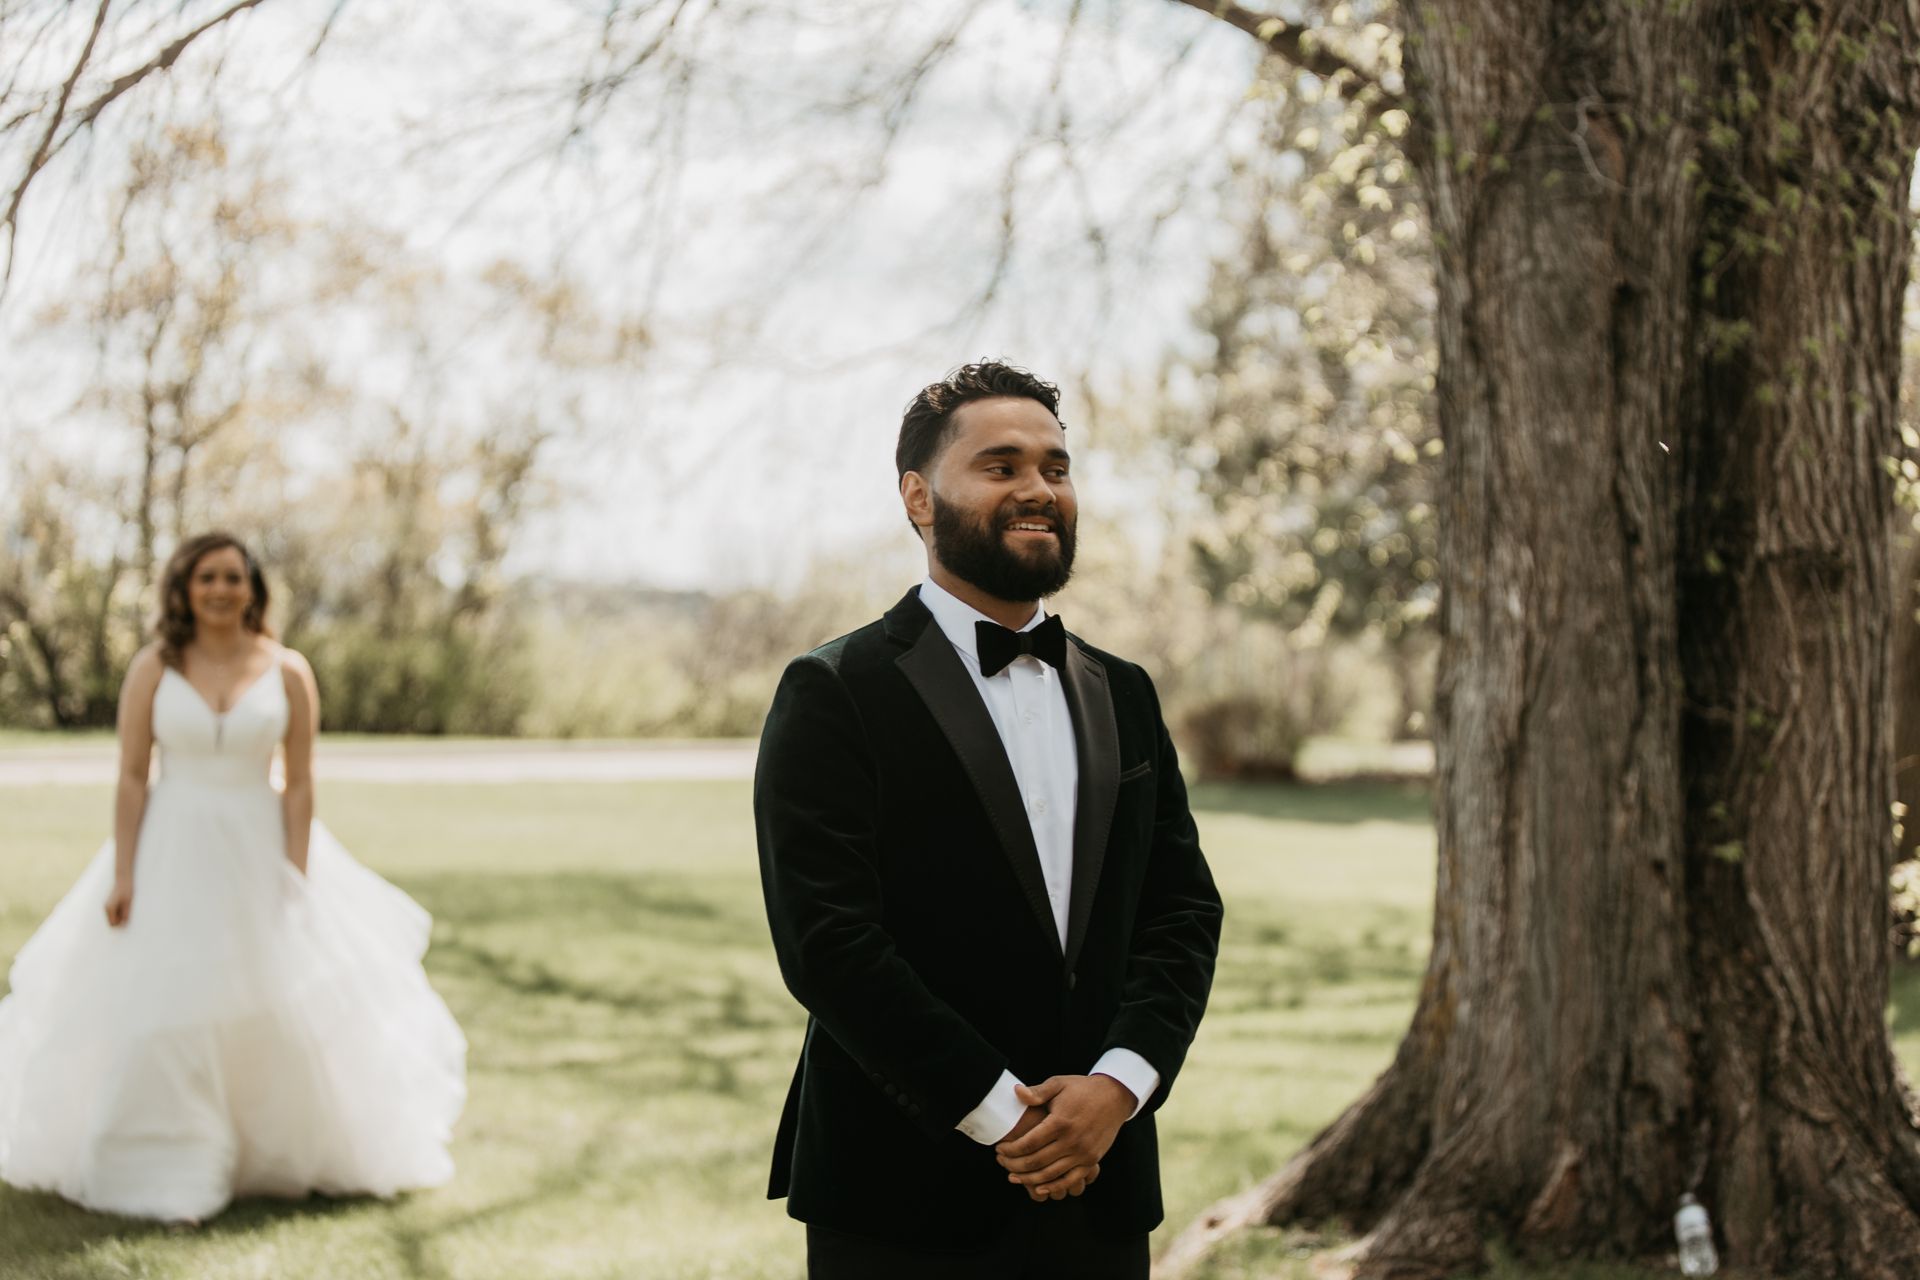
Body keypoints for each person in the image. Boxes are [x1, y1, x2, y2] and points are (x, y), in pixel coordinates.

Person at [755, 362, 1224, 1278]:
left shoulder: (1122, 692)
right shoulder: (834, 691)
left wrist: (1119, 1086)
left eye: (1055, 466)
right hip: (900, 1189)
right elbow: (829, 942)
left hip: (1102, 1182)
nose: (1037, 490)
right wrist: (1005, 1114)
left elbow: (1182, 910)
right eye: (1000, 466)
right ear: (919, 497)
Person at [0, 532, 466, 1223]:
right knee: (170, 994)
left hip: (259, 845)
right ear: (184, 590)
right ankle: (167, 1156)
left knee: (269, 992)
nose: (221, 590)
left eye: (233, 577)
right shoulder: (154, 668)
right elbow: (132, 777)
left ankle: (270, 1154)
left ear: (252, 589)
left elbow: (302, 783)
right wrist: (124, 872)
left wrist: (295, 874)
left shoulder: (288, 671)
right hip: (171, 847)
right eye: (206, 578)